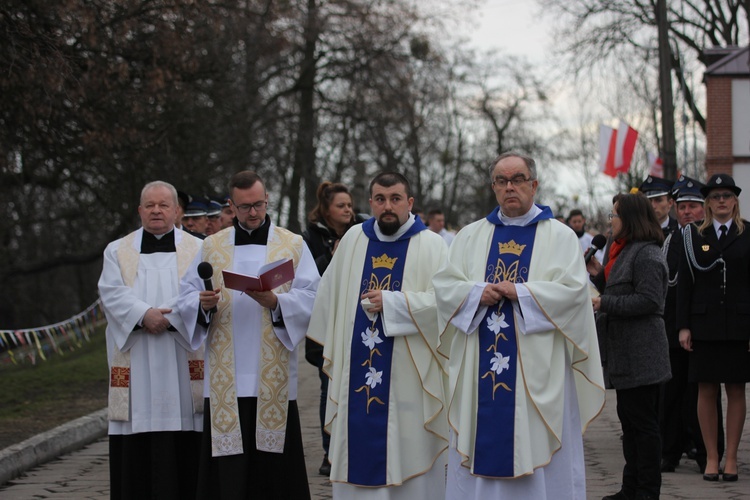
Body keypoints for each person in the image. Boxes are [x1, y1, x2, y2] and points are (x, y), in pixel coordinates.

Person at [433, 152, 604, 499]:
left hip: (539, 372)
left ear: (534, 185)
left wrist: (522, 293)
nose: (510, 187)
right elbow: (444, 287)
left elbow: (574, 294)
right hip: (480, 366)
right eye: (502, 181)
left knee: (538, 446)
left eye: (518, 179)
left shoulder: (560, 236)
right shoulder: (469, 236)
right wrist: (477, 294)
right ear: (493, 187)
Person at [178, 171, 320, 499]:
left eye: (258, 205)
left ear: (267, 201)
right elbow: (184, 296)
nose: (253, 213)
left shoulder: (293, 244)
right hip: (225, 377)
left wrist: (277, 303)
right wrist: (203, 305)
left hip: (273, 376)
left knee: (274, 468)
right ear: (231, 206)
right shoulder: (211, 247)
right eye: (244, 207)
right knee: (228, 469)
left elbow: (313, 297)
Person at [307, 172, 449, 499]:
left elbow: (447, 304)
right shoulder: (354, 240)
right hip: (356, 372)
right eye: (380, 199)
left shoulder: (431, 245)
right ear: (370, 202)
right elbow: (328, 296)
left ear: (410, 203)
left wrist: (395, 303)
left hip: (409, 380)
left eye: (395, 199)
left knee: (409, 456)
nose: (388, 206)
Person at [98, 180, 205, 500]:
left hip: (181, 356)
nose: (156, 211)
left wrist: (170, 318)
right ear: (140, 211)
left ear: (176, 211)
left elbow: (207, 291)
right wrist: (144, 314)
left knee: (187, 434)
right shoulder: (117, 250)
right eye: (150, 205)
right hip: (137, 357)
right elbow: (110, 293)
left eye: (163, 205)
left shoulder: (198, 249)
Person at [587, 193, 671, 500]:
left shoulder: (647, 254)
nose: (611, 222)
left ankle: (647, 491)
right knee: (630, 425)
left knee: (644, 427)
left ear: (631, 219)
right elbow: (623, 292)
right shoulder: (623, 252)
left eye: (614, 216)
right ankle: (631, 487)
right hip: (625, 354)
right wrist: (600, 278)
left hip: (643, 354)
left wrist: (603, 302)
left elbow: (650, 300)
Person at [677, 173, 750, 483]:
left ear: (735, 201)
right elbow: (684, 285)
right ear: (707, 203)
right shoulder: (692, 236)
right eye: (716, 196)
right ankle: (711, 457)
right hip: (703, 323)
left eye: (727, 196)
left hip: (739, 324)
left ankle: (731, 457)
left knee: (735, 390)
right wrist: (683, 326)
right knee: (705, 389)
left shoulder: (747, 234)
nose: (722, 201)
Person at [659, 176, 724, 474]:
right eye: (682, 206)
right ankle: (668, 451)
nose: (687, 212)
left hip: (703, 327)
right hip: (672, 326)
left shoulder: (709, 238)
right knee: (671, 392)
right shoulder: (671, 239)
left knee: (702, 390)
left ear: (704, 208)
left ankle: (705, 450)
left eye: (693, 206)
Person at [301, 181, 361, 477]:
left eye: (350, 205)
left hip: (359, 321)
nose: (348, 210)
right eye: (341, 206)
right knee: (328, 385)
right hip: (327, 323)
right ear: (326, 210)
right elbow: (309, 278)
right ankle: (329, 451)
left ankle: (356, 446)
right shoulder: (310, 237)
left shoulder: (363, 231)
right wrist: (332, 256)